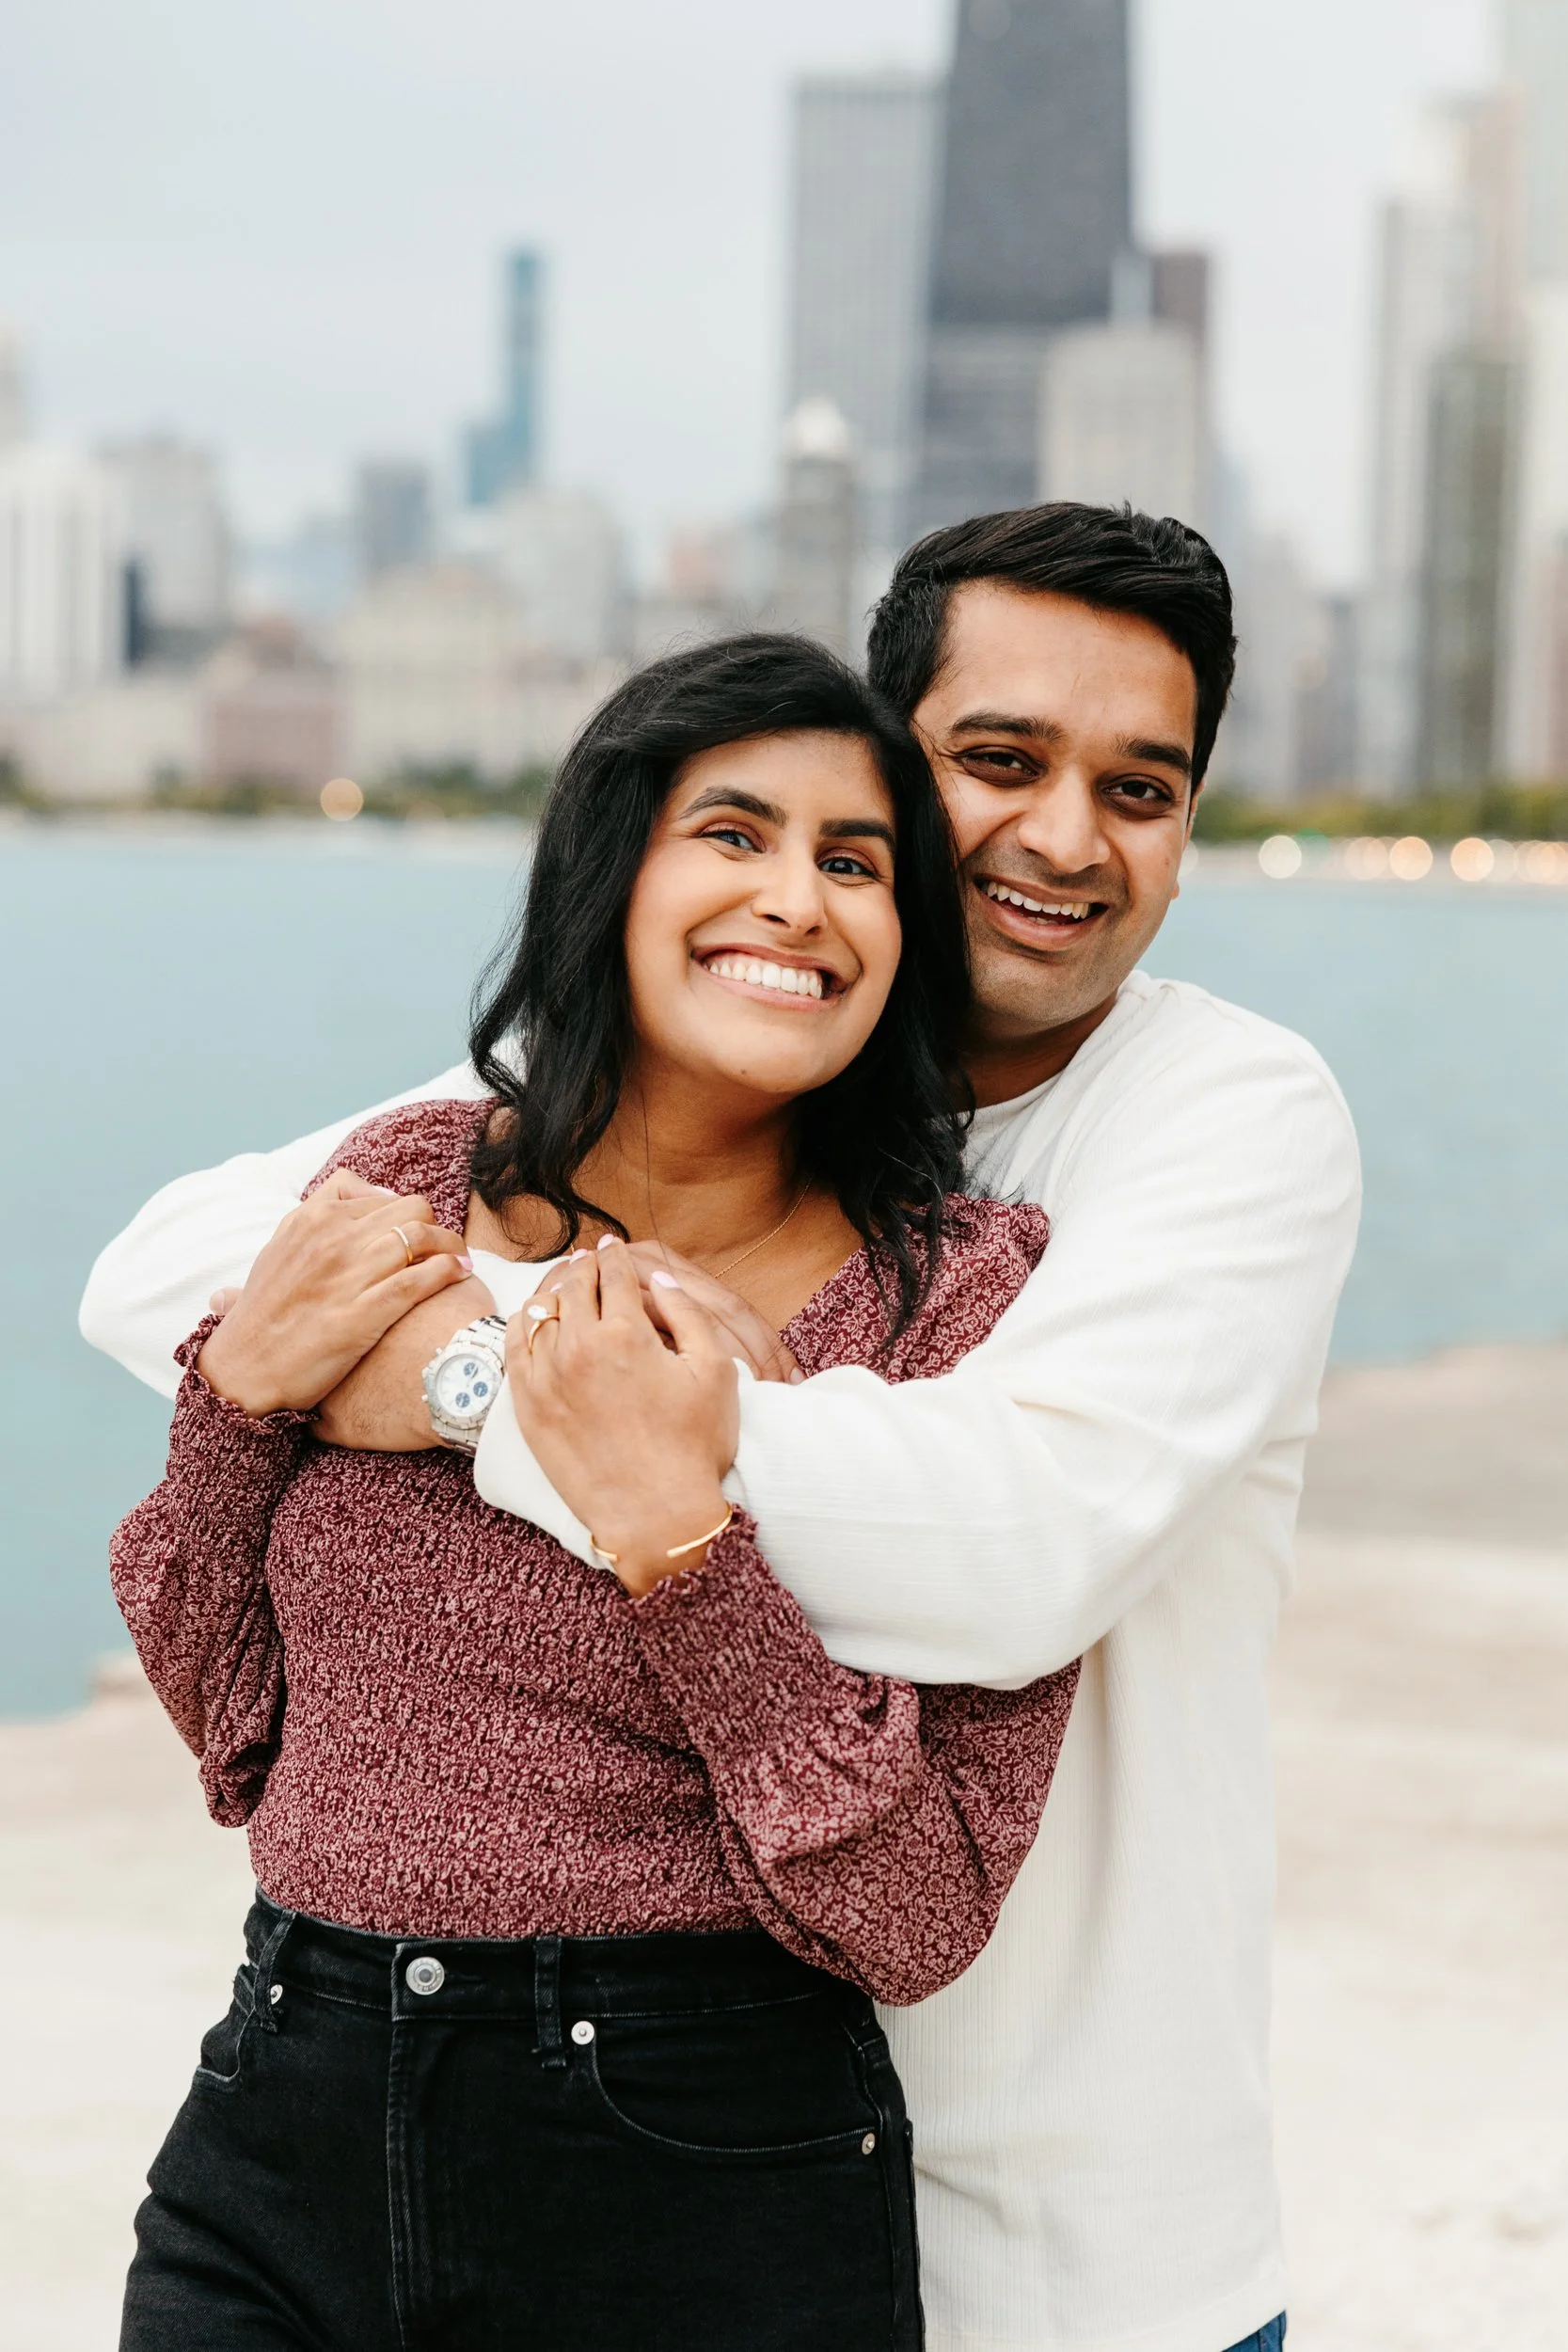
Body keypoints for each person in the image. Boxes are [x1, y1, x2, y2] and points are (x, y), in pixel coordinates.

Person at [85, 505, 1362, 2352]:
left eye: (1139, 786)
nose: (1066, 837)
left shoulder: (1222, 1108)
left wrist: (459, 1381)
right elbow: (167, 1269)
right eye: (996, 760)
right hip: (551, 2159)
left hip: (1065, 2251)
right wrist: (477, 1363)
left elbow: (1006, 1545)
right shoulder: (716, 1060)